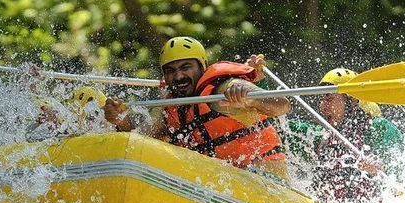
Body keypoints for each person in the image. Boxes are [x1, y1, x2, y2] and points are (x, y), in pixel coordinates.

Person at [103, 36, 291, 179]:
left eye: (186, 67)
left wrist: (251, 99)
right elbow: (140, 139)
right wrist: (121, 120)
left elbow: (282, 105)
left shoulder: (223, 89)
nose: (178, 77)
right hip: (219, 183)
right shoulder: (170, 107)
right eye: (170, 71)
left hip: (265, 180)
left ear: (202, 67)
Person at [291, 68, 404, 203]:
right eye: (322, 99)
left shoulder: (378, 128)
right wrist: (260, 82)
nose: (322, 105)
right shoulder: (320, 136)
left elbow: (396, 169)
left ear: (352, 101)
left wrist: (377, 168)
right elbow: (280, 126)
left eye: (328, 98)